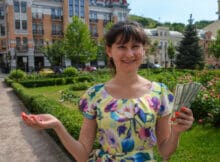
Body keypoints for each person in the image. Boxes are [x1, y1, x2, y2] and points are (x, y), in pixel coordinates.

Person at [21, 21, 194, 162]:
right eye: (121, 47)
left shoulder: (159, 94)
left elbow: (165, 152)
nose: (129, 53)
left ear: (144, 50)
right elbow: (82, 155)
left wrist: (176, 131)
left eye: (135, 46)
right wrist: (57, 125)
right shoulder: (95, 95)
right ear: (109, 51)